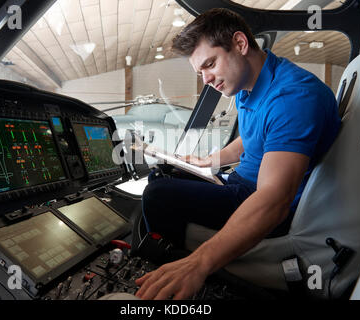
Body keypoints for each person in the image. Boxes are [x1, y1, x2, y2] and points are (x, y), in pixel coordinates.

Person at [134, 8, 341, 300]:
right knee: (161, 175)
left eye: (210, 64)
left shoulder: (292, 97)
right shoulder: (248, 84)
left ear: (240, 44)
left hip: (260, 199)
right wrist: (210, 161)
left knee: (158, 197)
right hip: (240, 183)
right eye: (200, 72)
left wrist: (200, 263)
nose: (205, 79)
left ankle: (181, 278)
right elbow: (253, 136)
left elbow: (274, 200)